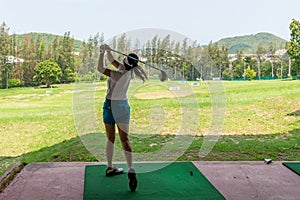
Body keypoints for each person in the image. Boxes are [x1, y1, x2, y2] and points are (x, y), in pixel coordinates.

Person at [98, 44, 147, 192]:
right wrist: (107, 51)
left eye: (125, 57)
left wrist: (100, 53)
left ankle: (110, 167)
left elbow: (100, 69)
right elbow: (112, 59)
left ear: (126, 61)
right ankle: (131, 168)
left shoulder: (119, 74)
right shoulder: (127, 71)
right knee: (125, 140)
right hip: (123, 107)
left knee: (110, 139)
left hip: (110, 106)